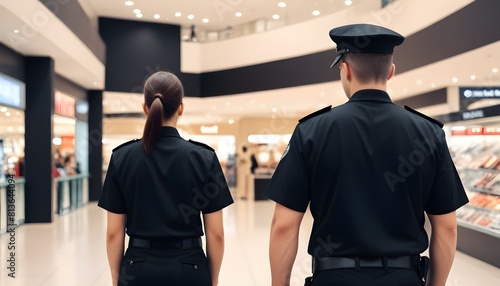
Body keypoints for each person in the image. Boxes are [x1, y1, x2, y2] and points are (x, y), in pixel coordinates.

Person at [265, 24, 469, 286]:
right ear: (391, 72)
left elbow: (283, 225)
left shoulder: (311, 131)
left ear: (346, 70)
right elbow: (447, 227)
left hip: (334, 278)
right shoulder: (429, 134)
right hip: (403, 278)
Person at [98, 71, 234, 286]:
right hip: (190, 269)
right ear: (181, 108)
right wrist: (213, 279)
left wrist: (116, 279)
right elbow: (216, 233)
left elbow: (114, 233)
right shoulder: (204, 157)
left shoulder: (121, 158)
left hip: (137, 269)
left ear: (145, 108)